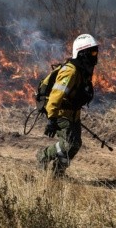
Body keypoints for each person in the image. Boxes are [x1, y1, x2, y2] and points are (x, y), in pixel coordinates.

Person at [36, 33, 99, 176]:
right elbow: (55, 97)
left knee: (74, 145)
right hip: (60, 113)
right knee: (70, 144)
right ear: (83, 53)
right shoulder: (70, 72)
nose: (95, 55)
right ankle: (44, 155)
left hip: (73, 114)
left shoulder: (83, 70)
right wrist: (51, 120)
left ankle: (58, 174)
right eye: (92, 52)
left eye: (96, 51)